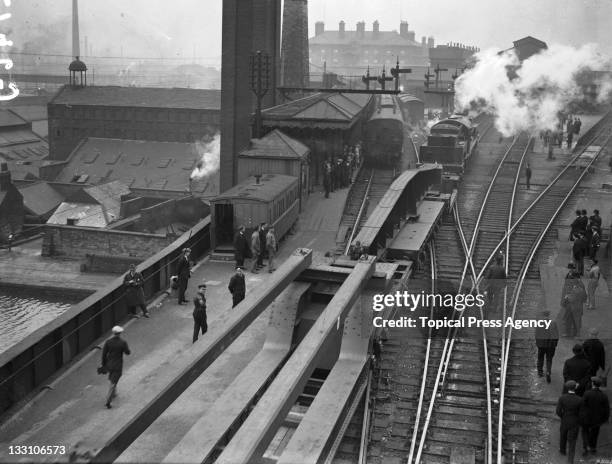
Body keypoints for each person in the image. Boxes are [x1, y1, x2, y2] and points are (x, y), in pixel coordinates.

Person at [101, 326, 131, 409]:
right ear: (120, 333)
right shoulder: (122, 342)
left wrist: (104, 365)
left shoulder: (108, 342)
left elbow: (104, 354)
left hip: (109, 364)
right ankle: (108, 400)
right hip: (118, 365)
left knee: (112, 378)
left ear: (113, 333)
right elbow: (127, 352)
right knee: (113, 383)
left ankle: (114, 393)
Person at [579, 376, 610, 456]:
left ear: (592, 384)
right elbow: (607, 409)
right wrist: (604, 419)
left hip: (586, 418)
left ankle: (585, 447)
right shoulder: (603, 396)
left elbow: (582, 406)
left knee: (585, 432)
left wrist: (581, 417)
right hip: (597, 419)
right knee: (595, 433)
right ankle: (593, 447)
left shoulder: (587, 393)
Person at [556, 380, 582, 463]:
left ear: (567, 388)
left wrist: (563, 416)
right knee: (572, 441)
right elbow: (581, 413)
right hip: (575, 422)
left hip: (565, 420)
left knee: (563, 435)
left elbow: (558, 411)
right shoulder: (579, 399)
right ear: (575, 388)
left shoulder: (562, 398)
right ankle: (570, 460)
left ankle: (562, 450)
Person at [535, 309, 559, 383]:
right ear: (549, 315)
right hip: (551, 345)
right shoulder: (553, 322)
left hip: (541, 345)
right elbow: (556, 334)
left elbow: (537, 334)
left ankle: (540, 372)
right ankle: (548, 372)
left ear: (542, 315)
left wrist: (538, 343)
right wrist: (555, 344)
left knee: (540, 358)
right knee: (549, 359)